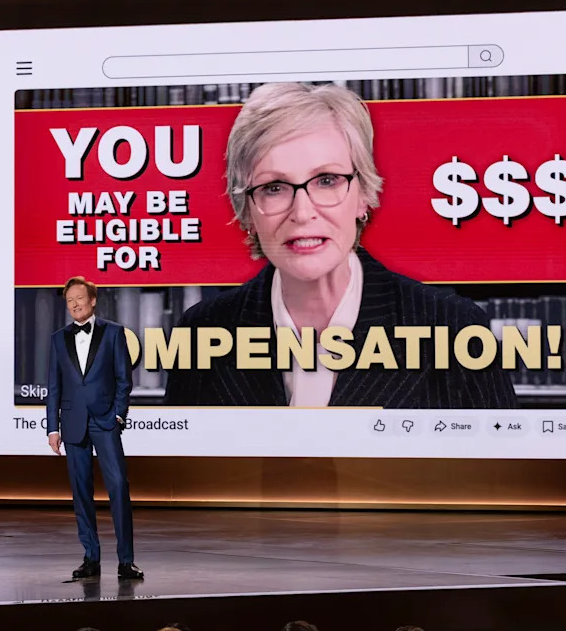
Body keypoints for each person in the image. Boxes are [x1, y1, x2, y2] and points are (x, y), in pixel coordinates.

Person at [163, 82, 517, 409]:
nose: (302, 213)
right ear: (249, 212)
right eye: (274, 187)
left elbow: (501, 475)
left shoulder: (453, 327)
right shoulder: (201, 332)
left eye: (327, 180)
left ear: (363, 195)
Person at [46, 275, 143, 580]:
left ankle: (126, 560)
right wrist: (53, 428)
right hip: (73, 423)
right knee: (81, 493)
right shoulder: (58, 338)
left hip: (105, 422)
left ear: (92, 300)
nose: (74, 304)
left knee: (118, 488)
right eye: (69, 300)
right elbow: (54, 385)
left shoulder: (114, 334)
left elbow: (124, 380)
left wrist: (118, 416)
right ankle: (91, 557)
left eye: (79, 298)